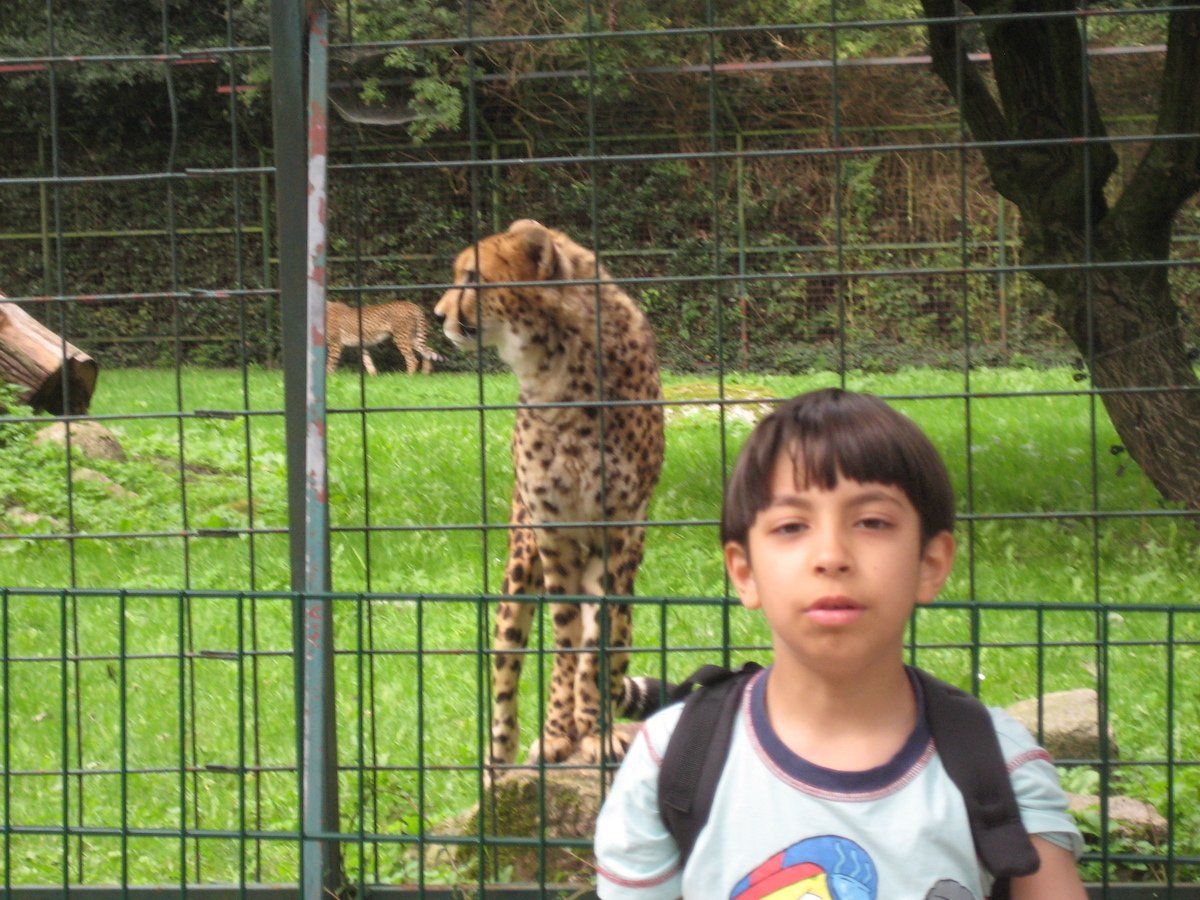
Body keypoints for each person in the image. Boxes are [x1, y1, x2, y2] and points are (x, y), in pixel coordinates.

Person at [594, 388, 1085, 899]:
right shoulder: (670, 763)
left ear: (930, 564)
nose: (831, 555)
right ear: (744, 572)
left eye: (872, 522)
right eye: (791, 526)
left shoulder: (999, 766)